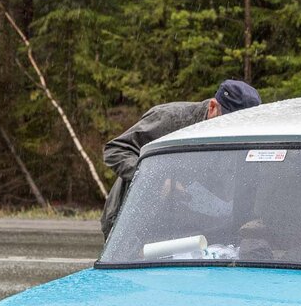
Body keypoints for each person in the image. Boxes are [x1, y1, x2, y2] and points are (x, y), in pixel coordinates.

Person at [100, 79, 262, 238]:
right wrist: (157, 180)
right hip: (129, 221)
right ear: (213, 107)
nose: (234, 131)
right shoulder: (170, 118)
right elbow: (116, 150)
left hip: (182, 227)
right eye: (229, 123)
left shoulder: (240, 135)